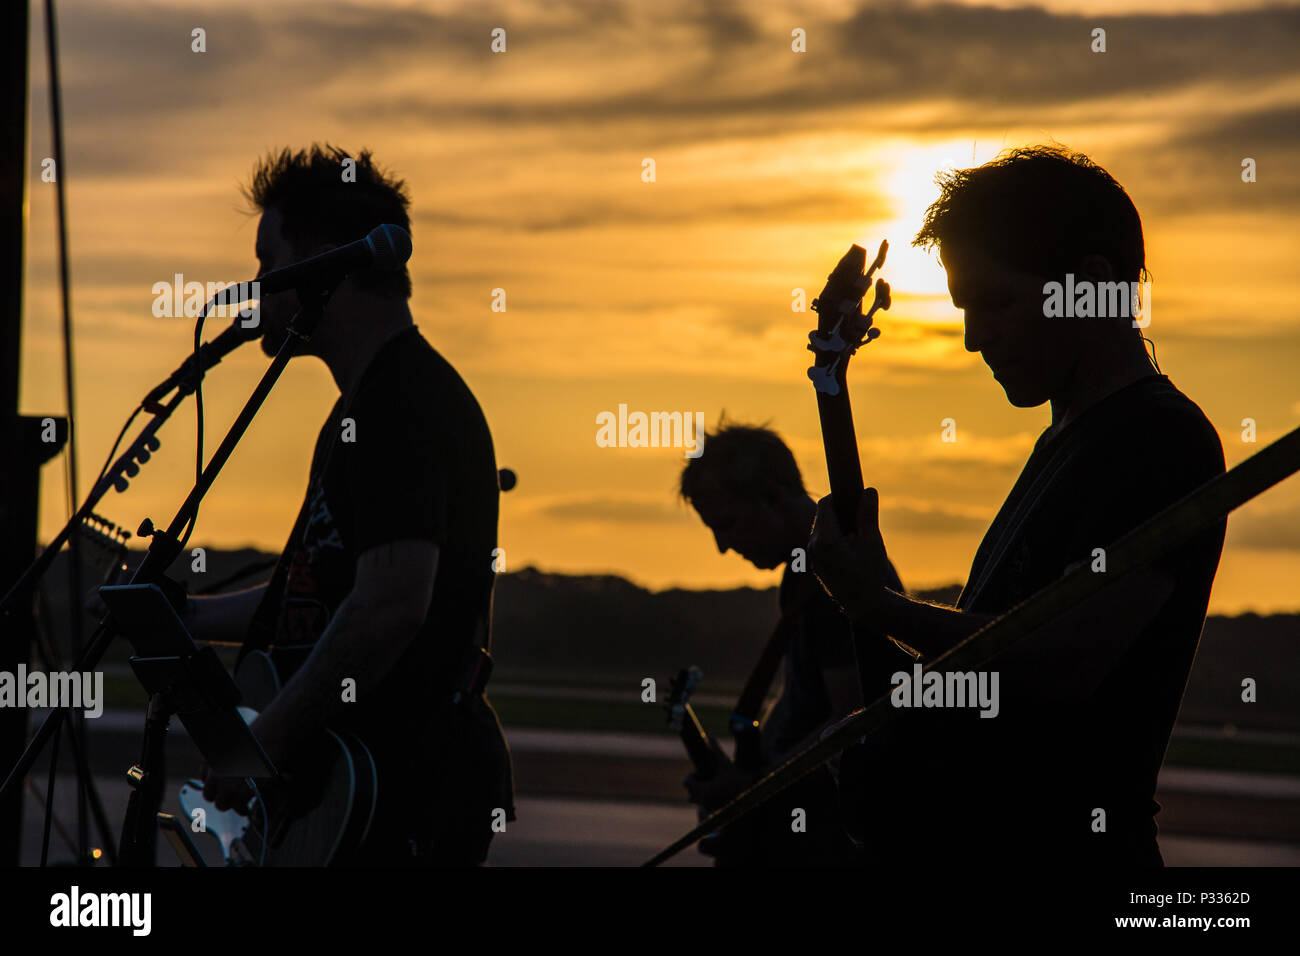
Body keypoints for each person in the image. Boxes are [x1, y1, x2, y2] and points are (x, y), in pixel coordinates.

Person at [808, 146, 1225, 867]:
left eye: (998, 303)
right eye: (966, 310)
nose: (974, 339)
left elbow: (1060, 669)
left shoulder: (1161, 438)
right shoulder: (1069, 442)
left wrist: (880, 610)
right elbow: (997, 674)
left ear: (1093, 286)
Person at [195, 144, 513, 866]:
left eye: (268, 262)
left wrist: (263, 743)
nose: (257, 286)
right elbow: (317, 593)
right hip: (350, 787)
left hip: (399, 793)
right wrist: (183, 615)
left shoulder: (408, 403)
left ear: (325, 265)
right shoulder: (356, 412)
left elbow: (389, 608)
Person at [679, 422, 909, 865]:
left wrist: (753, 787)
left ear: (771, 493)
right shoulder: (807, 566)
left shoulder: (831, 569)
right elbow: (810, 701)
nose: (723, 546)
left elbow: (850, 718)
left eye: (728, 524)